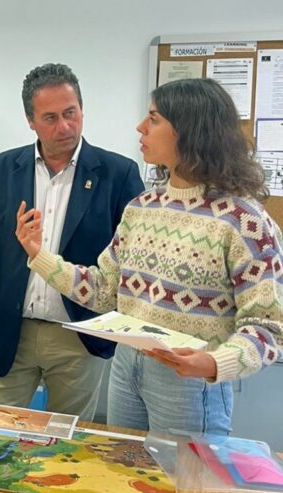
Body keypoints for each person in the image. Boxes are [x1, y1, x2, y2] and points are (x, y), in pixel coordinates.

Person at [16, 78, 283, 434]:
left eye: (154, 119)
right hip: (126, 368)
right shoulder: (142, 207)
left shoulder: (244, 221)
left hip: (189, 382)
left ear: (190, 130)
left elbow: (268, 329)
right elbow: (104, 289)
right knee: (127, 477)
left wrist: (215, 362)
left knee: (182, 484)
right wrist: (39, 256)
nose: (140, 127)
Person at [0, 63, 144, 421]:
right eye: (50, 117)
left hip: (78, 336)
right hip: (11, 330)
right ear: (30, 120)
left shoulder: (117, 173)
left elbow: (133, 261)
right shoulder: (2, 168)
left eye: (71, 113)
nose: (64, 127)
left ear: (81, 109)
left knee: (67, 445)